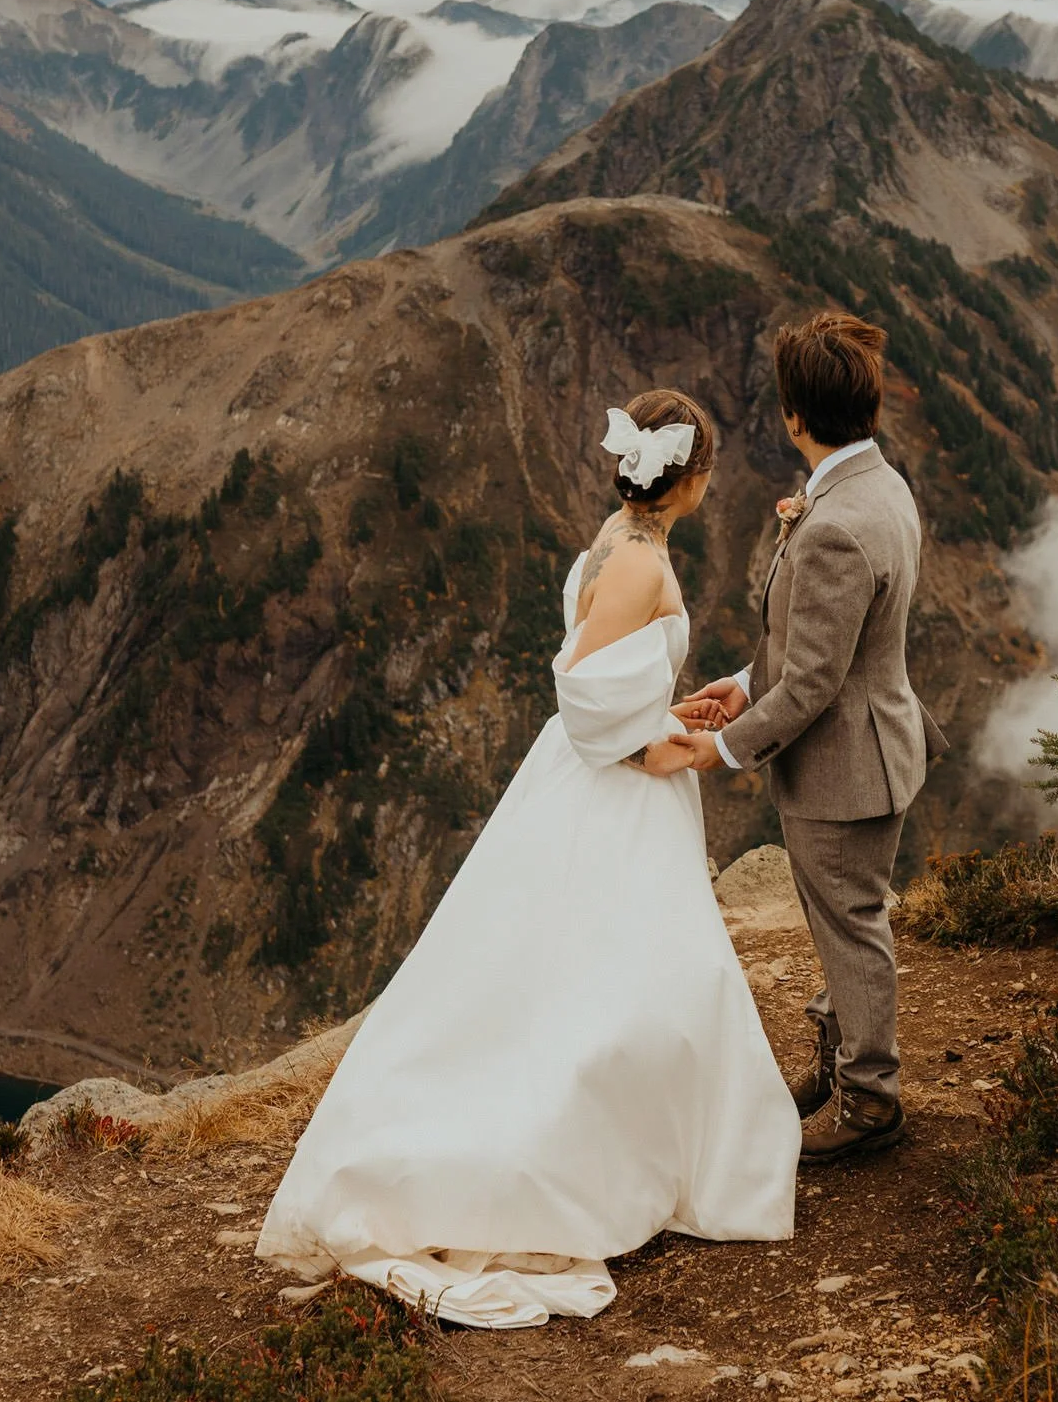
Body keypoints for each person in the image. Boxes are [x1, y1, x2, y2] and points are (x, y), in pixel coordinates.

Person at [257, 389, 798, 1329]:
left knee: (603, 974)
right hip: (612, 790)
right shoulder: (637, 564)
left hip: (610, 777)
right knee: (619, 978)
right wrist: (663, 746)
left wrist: (670, 714)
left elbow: (607, 680)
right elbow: (586, 693)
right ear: (694, 479)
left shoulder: (620, 537)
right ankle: (577, 1160)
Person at [671, 311, 948, 1162]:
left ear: (796, 415)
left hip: (844, 771)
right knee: (844, 918)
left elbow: (820, 680)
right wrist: (748, 680)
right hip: (879, 743)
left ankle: (870, 1100)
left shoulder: (829, 520)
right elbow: (832, 643)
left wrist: (721, 747)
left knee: (852, 923)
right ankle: (840, 1062)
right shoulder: (880, 486)